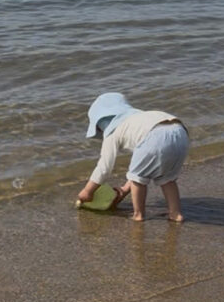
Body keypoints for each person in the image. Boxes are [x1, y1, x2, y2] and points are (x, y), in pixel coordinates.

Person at [76, 92, 189, 222]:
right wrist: (124, 190)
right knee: (167, 179)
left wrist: (87, 191)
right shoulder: (138, 117)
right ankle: (175, 214)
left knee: (137, 180)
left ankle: (138, 214)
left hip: (154, 136)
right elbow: (145, 166)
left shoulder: (112, 131)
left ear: (100, 124)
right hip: (180, 132)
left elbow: (104, 167)